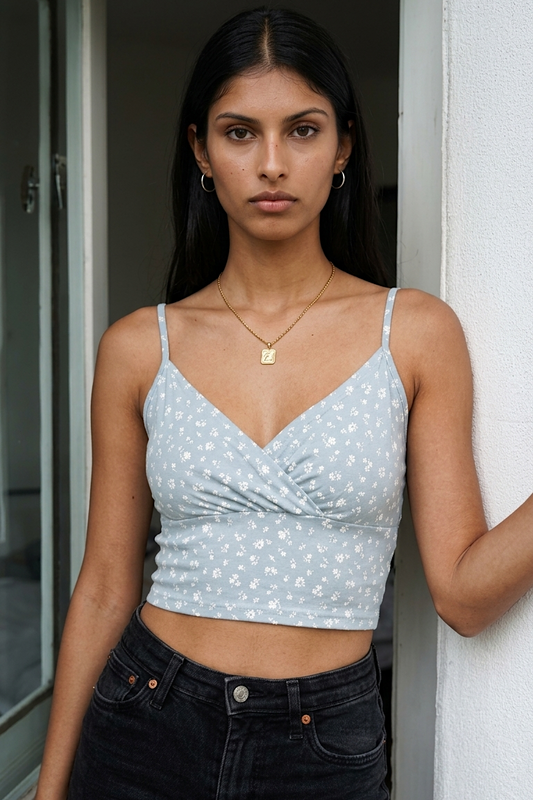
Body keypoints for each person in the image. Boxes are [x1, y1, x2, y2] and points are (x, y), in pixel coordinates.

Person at [36, 7, 533, 800]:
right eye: (240, 133)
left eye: (301, 130)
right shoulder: (138, 346)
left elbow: (464, 595)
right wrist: (49, 788)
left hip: (322, 745)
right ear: (201, 149)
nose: (271, 163)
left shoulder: (412, 332)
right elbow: (103, 583)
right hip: (144, 716)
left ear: (341, 147)